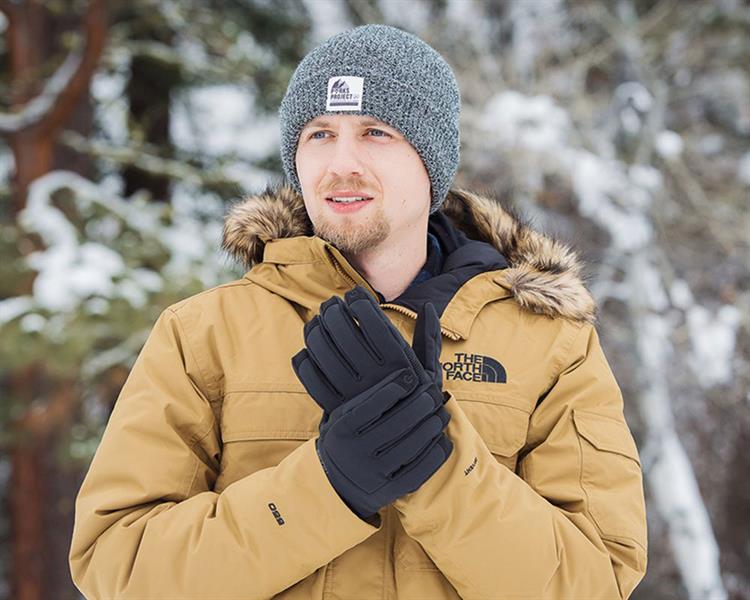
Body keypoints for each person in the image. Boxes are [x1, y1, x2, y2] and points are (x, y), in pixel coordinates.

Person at [69, 24, 647, 599]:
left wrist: (439, 475)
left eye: (375, 132)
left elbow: (597, 582)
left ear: (432, 161)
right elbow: (118, 567)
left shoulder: (550, 345)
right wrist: (327, 488)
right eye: (319, 134)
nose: (341, 163)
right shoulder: (204, 335)